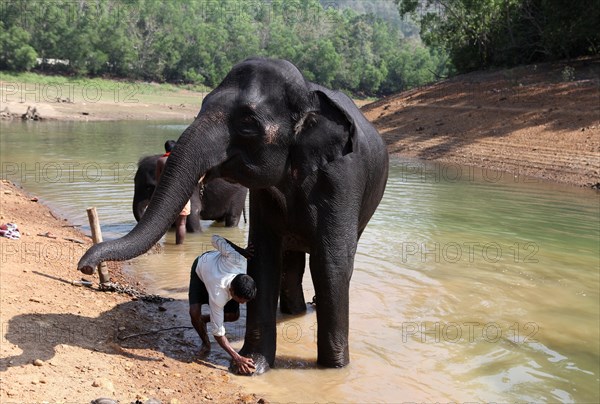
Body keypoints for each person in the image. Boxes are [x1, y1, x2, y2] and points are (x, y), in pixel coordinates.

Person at [189, 234, 257, 374]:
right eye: (241, 300)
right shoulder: (218, 296)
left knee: (234, 316)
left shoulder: (238, 260)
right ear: (232, 292)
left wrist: (240, 251)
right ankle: (205, 343)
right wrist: (237, 357)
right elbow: (218, 333)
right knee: (194, 312)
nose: (243, 304)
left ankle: (204, 320)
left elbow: (215, 238)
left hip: (216, 269)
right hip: (201, 268)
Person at [155, 140, 191, 244]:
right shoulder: (184, 160)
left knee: (164, 223)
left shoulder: (161, 161)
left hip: (166, 197)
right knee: (181, 224)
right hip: (183, 195)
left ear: (165, 149)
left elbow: (158, 181)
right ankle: (179, 248)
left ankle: (158, 245)